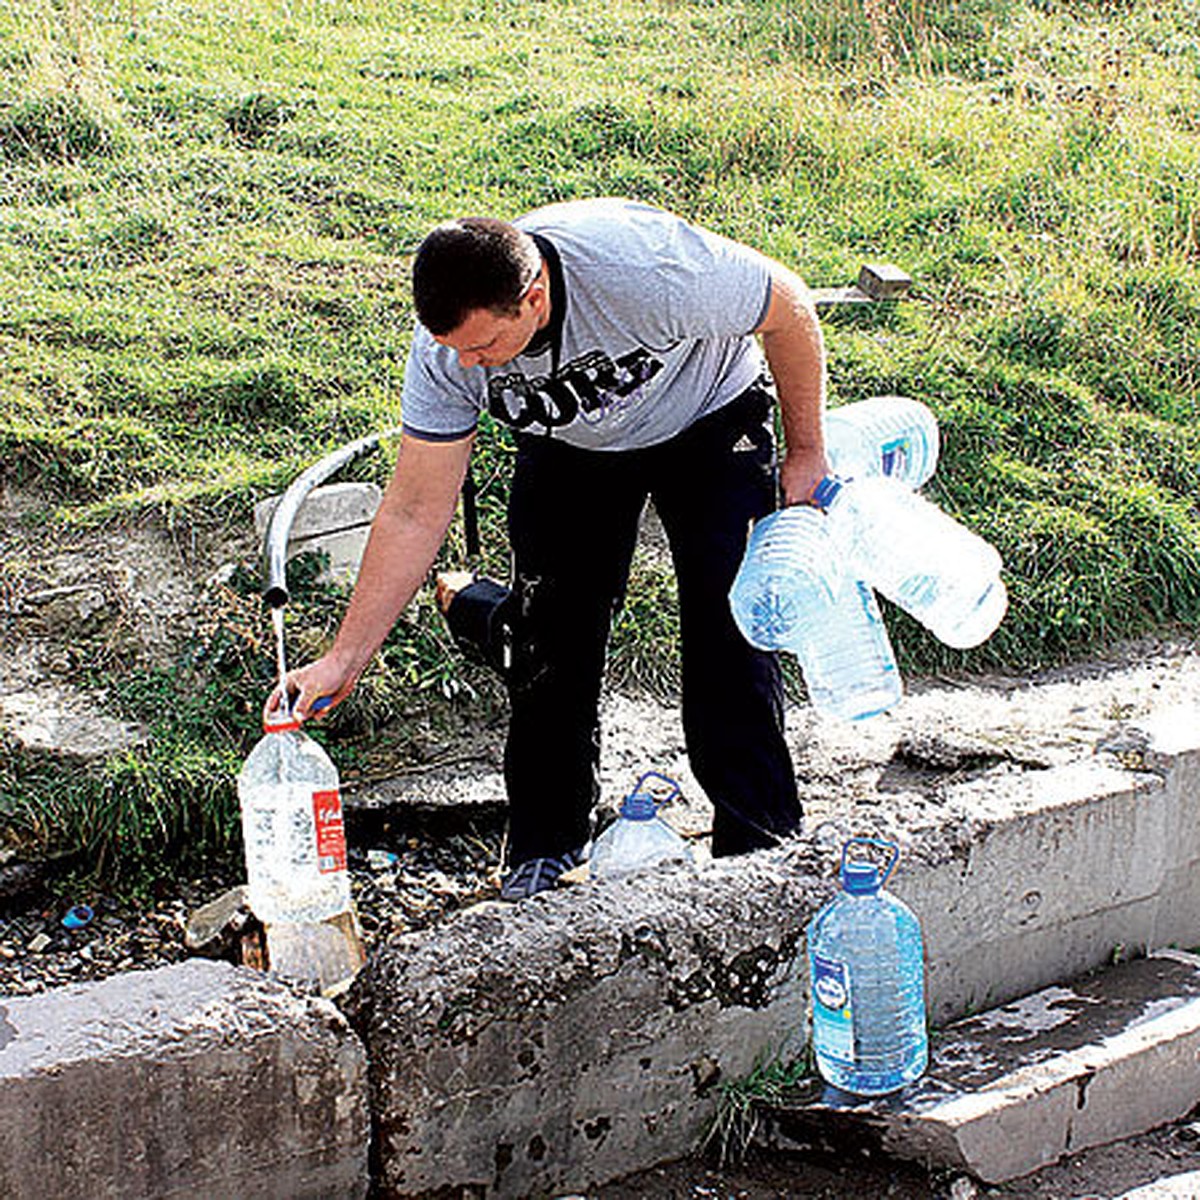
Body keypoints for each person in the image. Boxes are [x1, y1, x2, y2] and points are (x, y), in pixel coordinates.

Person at [272, 197, 830, 899]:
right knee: (547, 641)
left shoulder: (646, 270)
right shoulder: (448, 356)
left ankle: (760, 851)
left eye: (481, 349)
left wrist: (808, 448)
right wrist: (344, 657)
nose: (467, 365)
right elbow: (415, 510)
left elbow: (789, 307)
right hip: (570, 444)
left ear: (533, 297)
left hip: (708, 415)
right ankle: (547, 846)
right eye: (453, 350)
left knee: (730, 633)